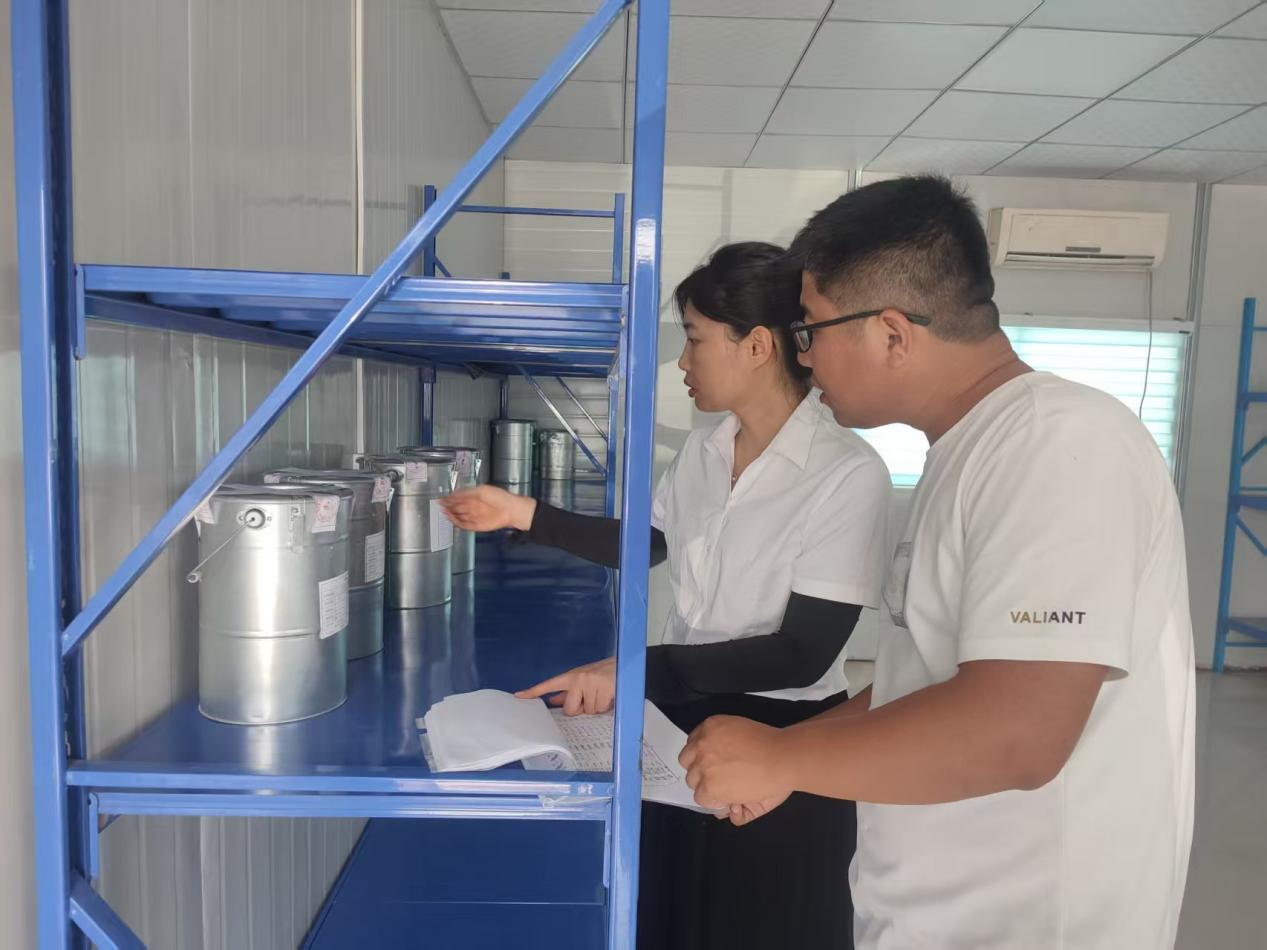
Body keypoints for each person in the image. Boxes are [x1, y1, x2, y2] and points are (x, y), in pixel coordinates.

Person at [679, 176, 1196, 950]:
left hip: (1024, 924)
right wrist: (792, 762)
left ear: (891, 333)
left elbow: (1019, 730)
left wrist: (783, 753)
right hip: (934, 911)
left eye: (810, 330)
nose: (803, 359)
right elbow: (922, 681)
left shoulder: (1055, 441)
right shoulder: (967, 451)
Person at [442, 241, 891, 950]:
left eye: (694, 339)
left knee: (768, 923)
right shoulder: (704, 452)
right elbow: (647, 543)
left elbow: (801, 654)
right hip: (681, 716)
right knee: (669, 913)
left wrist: (635, 671)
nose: (681, 362)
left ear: (757, 346)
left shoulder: (845, 474)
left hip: (785, 737)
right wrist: (520, 513)